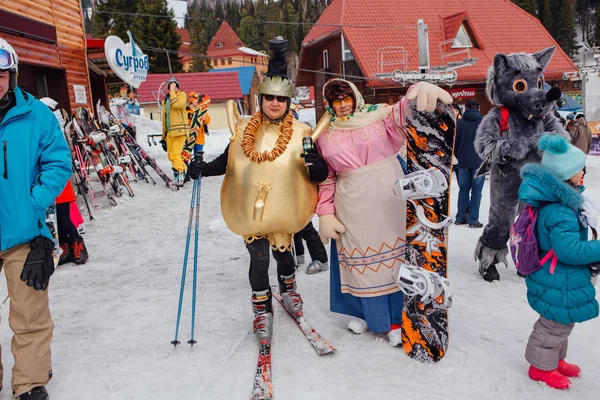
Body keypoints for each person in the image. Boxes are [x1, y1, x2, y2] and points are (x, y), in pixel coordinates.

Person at [188, 39, 328, 344]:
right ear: (260, 100)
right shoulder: (244, 131)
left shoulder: (302, 134)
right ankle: (262, 308)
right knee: (259, 259)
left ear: (289, 103)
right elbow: (227, 163)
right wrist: (201, 168)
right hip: (252, 212)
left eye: (280, 99)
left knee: (285, 257)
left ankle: (289, 290)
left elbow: (319, 174)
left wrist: (316, 165)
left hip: (284, 212)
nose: (274, 104)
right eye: (268, 98)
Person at [315, 78, 452, 346]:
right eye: (336, 101)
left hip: (390, 196)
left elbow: (403, 111)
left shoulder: (379, 116)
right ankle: (364, 313)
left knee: (396, 259)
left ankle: (398, 319)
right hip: (352, 202)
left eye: (346, 98)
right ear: (329, 105)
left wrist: (418, 92)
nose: (343, 105)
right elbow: (326, 178)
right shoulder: (324, 134)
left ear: (355, 96)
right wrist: (325, 212)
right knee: (359, 264)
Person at [0, 38, 72, 400]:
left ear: (11, 76)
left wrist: (34, 203)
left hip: (23, 233)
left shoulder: (36, 115)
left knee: (29, 314)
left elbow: (58, 163)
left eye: (0, 74)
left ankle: (28, 383)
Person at [518, 134, 599, 390]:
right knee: (553, 325)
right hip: (558, 275)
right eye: (579, 169)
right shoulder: (560, 210)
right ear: (566, 174)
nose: (583, 173)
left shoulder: (562, 201)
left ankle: (554, 359)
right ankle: (541, 368)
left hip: (557, 275)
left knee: (562, 321)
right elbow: (569, 251)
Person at [454, 99, 485, 228]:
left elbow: (455, 143)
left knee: (463, 190)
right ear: (479, 108)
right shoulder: (484, 123)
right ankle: (473, 220)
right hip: (479, 163)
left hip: (462, 162)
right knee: (476, 192)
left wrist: (457, 157)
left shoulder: (459, 123)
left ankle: (460, 218)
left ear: (466, 108)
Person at [160, 77, 188, 187]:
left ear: (177, 87)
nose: (171, 88)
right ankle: (178, 174)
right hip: (170, 132)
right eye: (170, 86)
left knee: (175, 154)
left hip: (180, 131)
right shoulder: (167, 100)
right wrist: (163, 137)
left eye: (174, 86)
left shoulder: (181, 95)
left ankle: (182, 172)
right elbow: (165, 119)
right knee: (171, 156)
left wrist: (172, 91)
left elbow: (178, 105)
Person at [56, 181, 89, 265]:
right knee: (57, 222)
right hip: (46, 189)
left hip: (59, 185)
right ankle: (67, 250)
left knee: (64, 219)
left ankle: (79, 248)